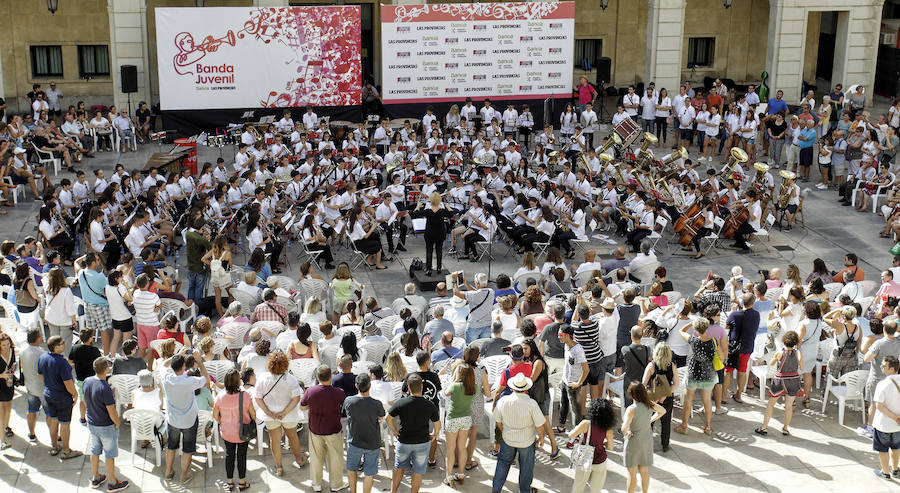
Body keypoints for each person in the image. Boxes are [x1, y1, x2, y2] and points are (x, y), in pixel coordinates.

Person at [254, 352, 308, 476]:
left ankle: (279, 467)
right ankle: (299, 460)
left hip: (270, 415)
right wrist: (284, 413)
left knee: (275, 440)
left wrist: (269, 412)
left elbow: (258, 398)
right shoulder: (291, 379)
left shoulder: (263, 378)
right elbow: (296, 398)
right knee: (293, 437)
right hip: (288, 415)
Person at [491, 373, 546, 493]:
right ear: (526, 388)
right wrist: (541, 438)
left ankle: (496, 489)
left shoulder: (503, 401)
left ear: (512, 388)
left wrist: (505, 431)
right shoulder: (532, 404)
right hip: (527, 441)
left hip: (508, 439)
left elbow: (498, 422)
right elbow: (540, 425)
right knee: (526, 468)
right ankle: (525, 490)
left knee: (503, 464)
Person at [386, 373, 441, 493]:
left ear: (409, 388)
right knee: (418, 471)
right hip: (422, 442)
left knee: (399, 468)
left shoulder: (401, 403)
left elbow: (388, 418)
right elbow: (438, 425)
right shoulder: (429, 405)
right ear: (421, 387)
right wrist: (434, 435)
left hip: (404, 442)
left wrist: (394, 431)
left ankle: (393, 491)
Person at [162, 351, 209, 484]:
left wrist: (176, 355)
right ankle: (183, 475)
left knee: (171, 446)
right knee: (187, 449)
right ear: (183, 367)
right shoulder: (190, 381)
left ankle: (168, 471)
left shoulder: (166, 378)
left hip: (173, 420)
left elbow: (163, 365)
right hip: (189, 421)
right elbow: (207, 379)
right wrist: (199, 361)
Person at [82, 356, 128, 492]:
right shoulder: (105, 388)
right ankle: (113, 482)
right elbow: (111, 410)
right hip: (106, 426)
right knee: (109, 454)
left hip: (92, 423)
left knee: (94, 451)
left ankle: (96, 477)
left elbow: (85, 400)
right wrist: (117, 422)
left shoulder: (87, 381)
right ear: (105, 369)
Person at [300, 365, 348, 492]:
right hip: (333, 429)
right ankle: (336, 484)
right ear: (331, 377)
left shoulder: (310, 391)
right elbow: (346, 406)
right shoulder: (339, 392)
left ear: (317, 377)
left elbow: (303, 407)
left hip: (315, 429)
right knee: (336, 457)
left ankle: (316, 484)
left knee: (316, 457)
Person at [37, 335, 82, 459]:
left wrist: (50, 384)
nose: (65, 344)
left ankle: (54, 446)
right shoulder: (62, 362)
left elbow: (40, 374)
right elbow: (68, 382)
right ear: (56, 347)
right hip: (62, 397)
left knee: (53, 421)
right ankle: (66, 451)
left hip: (48, 395)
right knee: (65, 424)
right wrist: (75, 394)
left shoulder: (43, 357)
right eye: (62, 343)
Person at [212, 369, 255, 491]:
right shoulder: (245, 395)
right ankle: (242, 483)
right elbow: (253, 414)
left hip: (227, 432)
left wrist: (223, 422)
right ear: (238, 382)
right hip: (242, 432)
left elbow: (215, 415)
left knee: (229, 456)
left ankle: (230, 482)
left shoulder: (220, 397)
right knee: (242, 457)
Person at [755, 330, 803, 437]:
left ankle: (764, 427)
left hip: (780, 381)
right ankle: (785, 428)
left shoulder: (780, 353)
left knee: (771, 404)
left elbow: (771, 363)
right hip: (794, 380)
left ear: (784, 340)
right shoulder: (798, 353)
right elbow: (802, 367)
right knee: (789, 406)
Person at [343, 374, 384, 493]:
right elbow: (381, 417)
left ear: (356, 386)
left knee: (351, 469)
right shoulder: (377, 404)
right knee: (369, 474)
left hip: (355, 441)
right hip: (372, 443)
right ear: (370, 386)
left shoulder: (349, 401)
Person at [622, 382, 666, 493]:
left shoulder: (631, 409)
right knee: (644, 472)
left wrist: (627, 433)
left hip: (634, 442)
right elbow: (663, 411)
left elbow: (624, 428)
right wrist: (650, 420)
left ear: (631, 394)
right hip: (646, 440)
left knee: (632, 475)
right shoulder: (649, 404)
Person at [567, 397, 617, 493]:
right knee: (596, 490)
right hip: (600, 461)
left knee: (578, 487)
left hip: (584, 460)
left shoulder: (586, 424)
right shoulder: (608, 428)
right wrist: (602, 443)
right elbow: (610, 446)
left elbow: (571, 435)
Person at [675, 317, 716, 435]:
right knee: (707, 400)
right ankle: (708, 426)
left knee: (688, 400)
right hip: (708, 373)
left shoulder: (693, 340)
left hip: (694, 372)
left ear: (696, 329)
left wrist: (690, 323)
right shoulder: (713, 341)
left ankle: (684, 426)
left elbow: (681, 331)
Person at [442, 363, 475, 487]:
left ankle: (449, 476)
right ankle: (461, 474)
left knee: (450, 450)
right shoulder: (473, 387)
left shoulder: (454, 386)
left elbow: (445, 393)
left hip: (453, 419)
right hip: (466, 418)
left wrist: (455, 379)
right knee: (462, 448)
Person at [723, 293, 760, 404]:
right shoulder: (756, 315)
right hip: (747, 347)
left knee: (728, 371)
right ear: (753, 303)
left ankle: (724, 396)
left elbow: (727, 326)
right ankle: (739, 395)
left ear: (742, 302)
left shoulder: (735, 314)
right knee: (742, 371)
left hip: (733, 347)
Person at [642, 342, 678, 452]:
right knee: (666, 422)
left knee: (649, 421)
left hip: (652, 398)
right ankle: (665, 445)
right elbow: (676, 384)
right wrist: (665, 394)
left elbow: (643, 384)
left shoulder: (652, 366)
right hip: (667, 398)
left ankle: (647, 444)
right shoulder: (672, 366)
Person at [411, 192, 455, 276]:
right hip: (440, 233)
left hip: (429, 233)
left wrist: (417, 206)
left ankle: (428, 269)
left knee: (429, 251)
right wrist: (448, 207)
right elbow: (451, 214)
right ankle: (439, 268)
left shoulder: (428, 211)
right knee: (439, 250)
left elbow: (415, 214)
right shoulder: (442, 211)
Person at [872, 355, 900, 479]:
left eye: (884, 366)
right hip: (898, 427)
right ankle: (895, 469)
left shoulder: (883, 384)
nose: (881, 368)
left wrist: (895, 417)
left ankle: (885, 472)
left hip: (883, 424)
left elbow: (879, 406)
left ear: (892, 369)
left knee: (883, 450)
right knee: (896, 448)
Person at [68, 328, 102, 425]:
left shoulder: (75, 348)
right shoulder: (95, 350)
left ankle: (82, 418)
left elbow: (70, 362)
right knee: (93, 400)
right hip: (93, 380)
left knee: (82, 400)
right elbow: (99, 363)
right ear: (90, 338)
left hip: (80, 379)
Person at [19, 328, 45, 442]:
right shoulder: (42, 354)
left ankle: (32, 434)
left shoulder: (22, 350)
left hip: (30, 387)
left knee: (31, 411)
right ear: (37, 338)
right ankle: (55, 438)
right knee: (50, 414)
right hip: (43, 388)